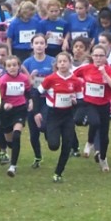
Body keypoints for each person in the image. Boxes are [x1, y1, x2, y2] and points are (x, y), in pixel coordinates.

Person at [39, 52, 83, 182]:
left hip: (68, 115)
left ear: (70, 63)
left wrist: (76, 102)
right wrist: (38, 110)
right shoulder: (50, 79)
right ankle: (47, 131)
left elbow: (81, 100)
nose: (63, 64)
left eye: (65, 61)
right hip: (53, 115)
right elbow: (37, 93)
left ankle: (58, 172)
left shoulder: (75, 80)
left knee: (67, 144)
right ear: (56, 64)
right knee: (53, 145)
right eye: (60, 62)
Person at [75, 44, 111, 172]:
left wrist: (105, 74)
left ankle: (103, 158)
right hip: (89, 103)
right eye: (96, 55)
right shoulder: (86, 69)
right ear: (92, 56)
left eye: (101, 56)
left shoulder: (110, 70)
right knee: (94, 122)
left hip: (104, 105)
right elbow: (72, 77)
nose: (98, 58)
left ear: (105, 57)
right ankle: (90, 142)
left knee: (104, 136)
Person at [24, 33, 55, 166]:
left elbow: (56, 80)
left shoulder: (52, 61)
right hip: (33, 99)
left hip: (48, 98)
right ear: (32, 45)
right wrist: (30, 79)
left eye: (42, 43)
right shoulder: (27, 62)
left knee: (44, 125)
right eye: (36, 43)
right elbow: (25, 85)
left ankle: (51, 138)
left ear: (46, 45)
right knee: (33, 131)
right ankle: (37, 157)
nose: (39, 46)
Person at [0, 56, 31, 177]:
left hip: (20, 109)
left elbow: (28, 92)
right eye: (9, 66)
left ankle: (13, 166)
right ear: (5, 67)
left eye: (14, 65)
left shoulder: (24, 78)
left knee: (17, 135)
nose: (12, 68)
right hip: (6, 112)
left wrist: (30, 101)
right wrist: (4, 105)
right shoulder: (2, 80)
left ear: (19, 66)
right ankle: (8, 149)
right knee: (10, 141)